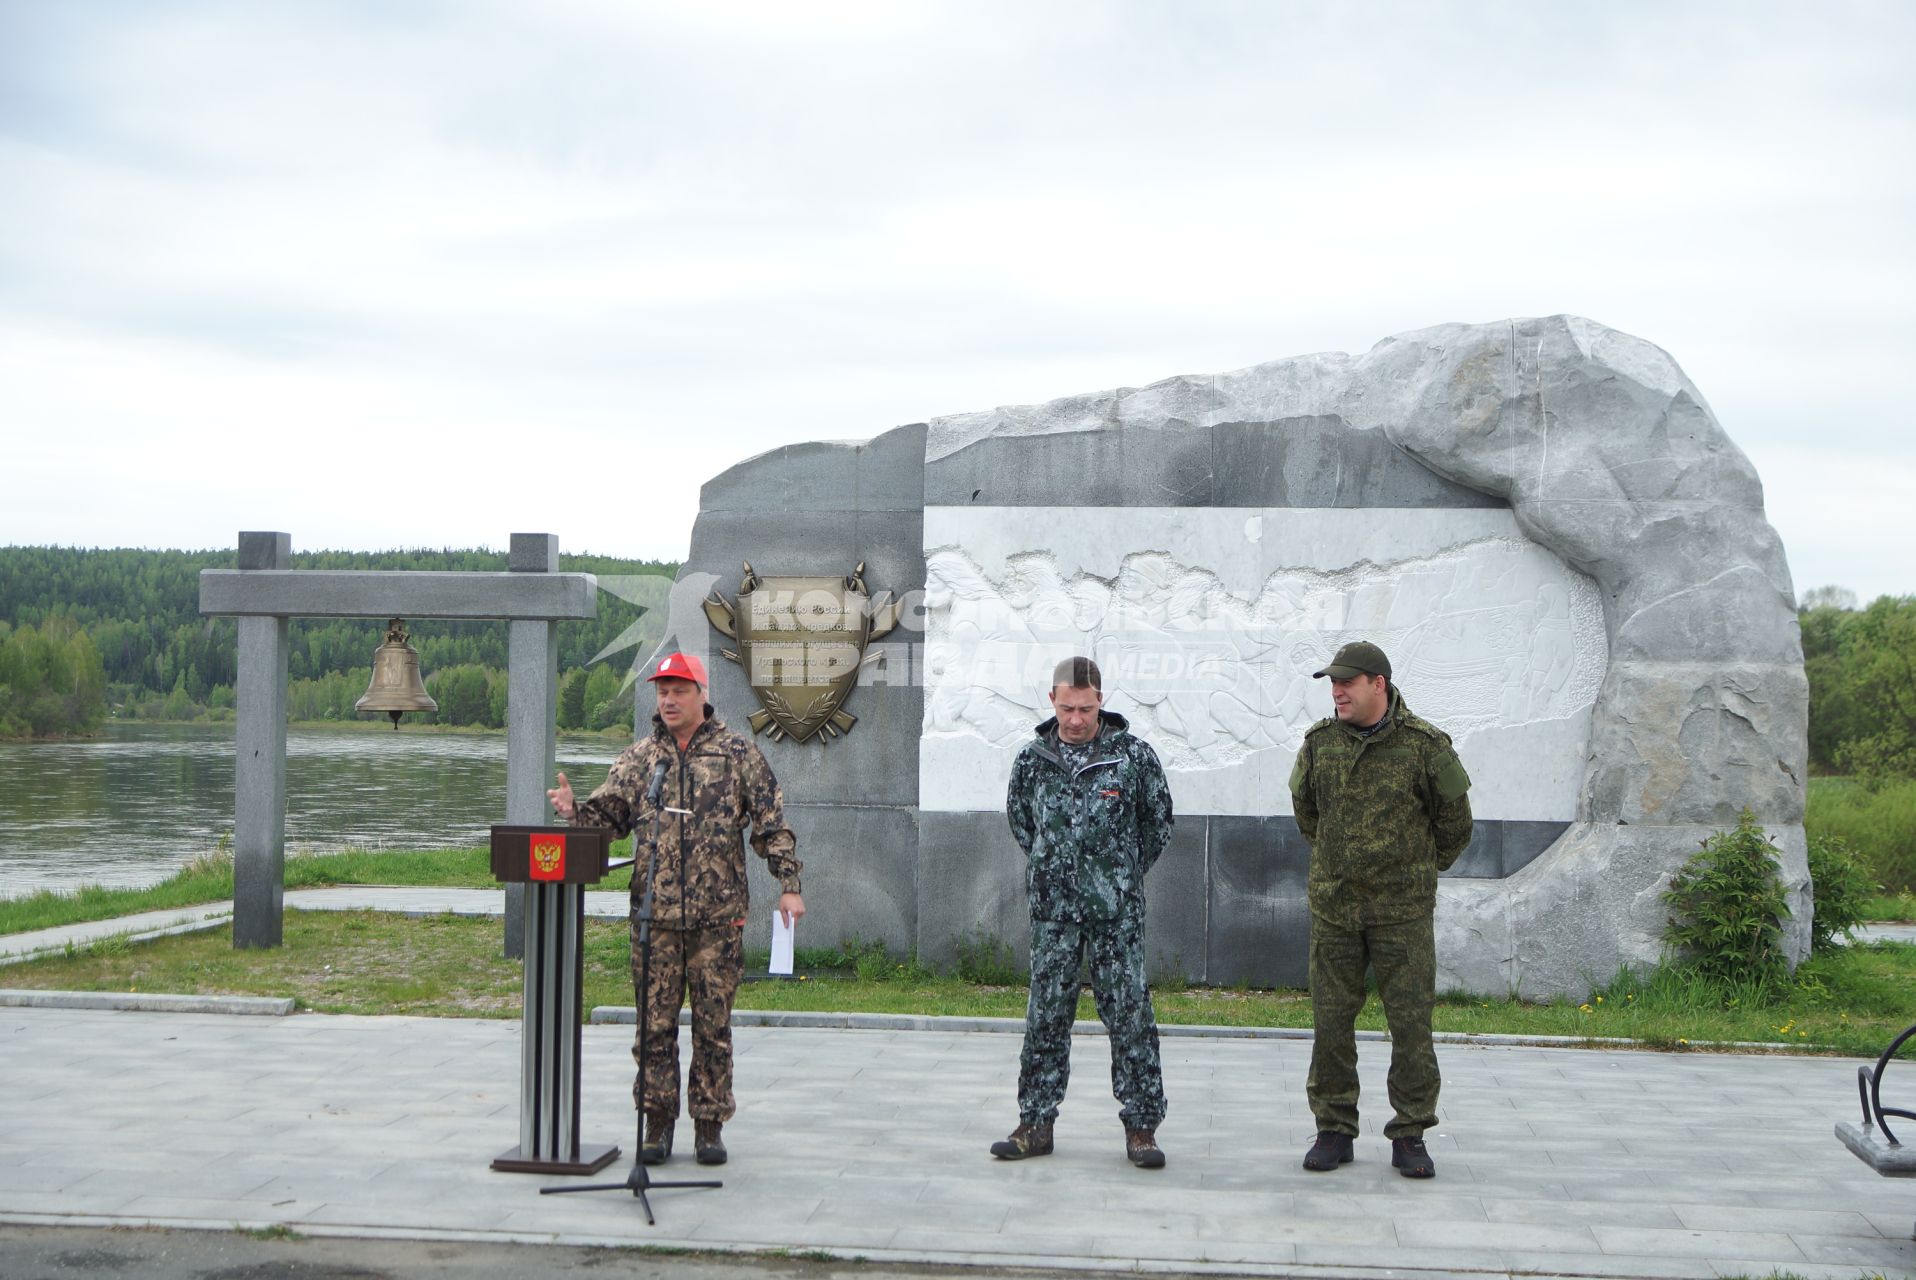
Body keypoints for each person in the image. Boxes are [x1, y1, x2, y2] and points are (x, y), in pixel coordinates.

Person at [548, 651, 803, 1168]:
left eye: (679, 689)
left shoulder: (736, 754)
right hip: (654, 921)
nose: (668, 699)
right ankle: (656, 1125)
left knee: (714, 1028)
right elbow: (608, 820)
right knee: (653, 1027)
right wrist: (575, 812)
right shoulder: (641, 758)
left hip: (717, 920)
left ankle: (709, 1128)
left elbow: (771, 824)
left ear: (701, 695)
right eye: (662, 690)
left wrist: (789, 884)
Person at [1289, 640, 1472, 1179]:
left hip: (1403, 914)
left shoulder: (1426, 746)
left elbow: (1456, 825)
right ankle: (1333, 1129)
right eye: (1332, 683)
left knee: (1412, 1027)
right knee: (1330, 1024)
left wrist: (1413, 869)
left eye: (1347, 682)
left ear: (1378, 685)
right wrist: (1336, 863)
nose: (1337, 691)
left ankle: (1410, 1133)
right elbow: (1307, 814)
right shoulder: (1319, 744)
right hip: (1336, 911)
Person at [993, 656, 1175, 1169]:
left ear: (1102, 700)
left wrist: (1118, 873)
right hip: (1054, 913)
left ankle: (1142, 1127)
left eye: (1087, 709)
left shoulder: (1132, 757)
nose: (1076, 719)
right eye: (1068, 708)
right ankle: (1035, 1123)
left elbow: (1157, 824)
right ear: (1052, 699)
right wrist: (1056, 869)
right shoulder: (1032, 761)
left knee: (1130, 1014)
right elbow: (1023, 823)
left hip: (1116, 913)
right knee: (1046, 1016)